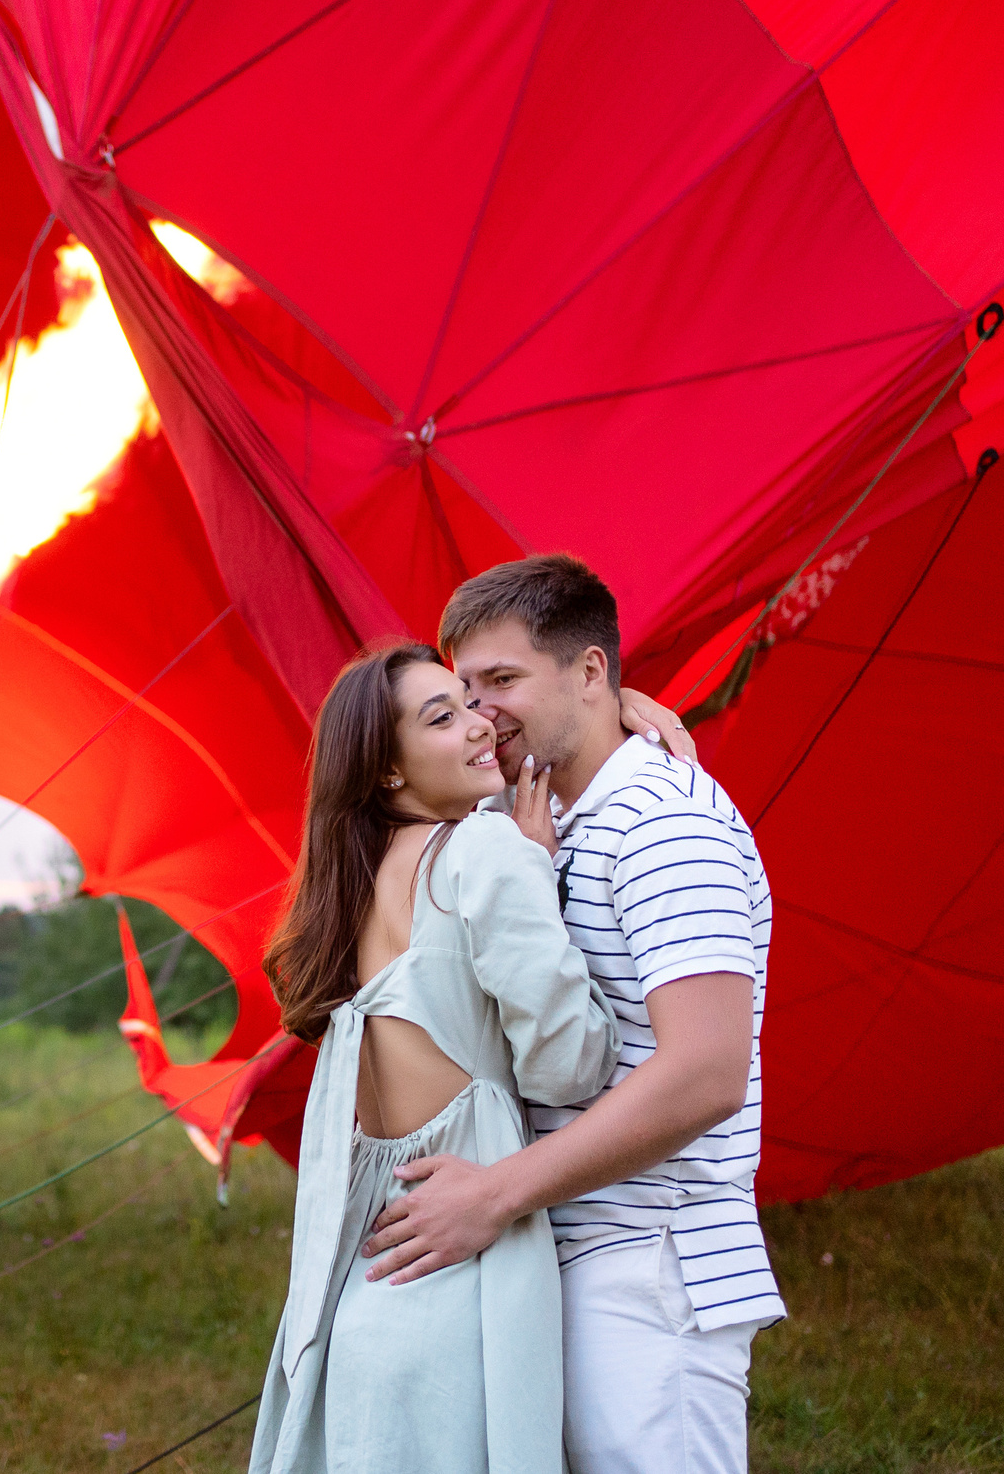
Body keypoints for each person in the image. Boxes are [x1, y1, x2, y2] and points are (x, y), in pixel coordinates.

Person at [365, 554, 782, 1474]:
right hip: (572, 1252)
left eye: (501, 680)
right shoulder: (541, 818)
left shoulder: (663, 823)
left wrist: (495, 1192)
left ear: (591, 670)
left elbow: (706, 1071)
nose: (480, 713)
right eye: (465, 690)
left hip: (652, 1264)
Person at [251, 641, 619, 1474]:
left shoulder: (352, 889)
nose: (480, 722)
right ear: (388, 769)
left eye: (471, 701)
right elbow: (570, 1065)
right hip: (461, 1300)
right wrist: (538, 873)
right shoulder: (486, 852)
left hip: (364, 1305)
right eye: (442, 716)